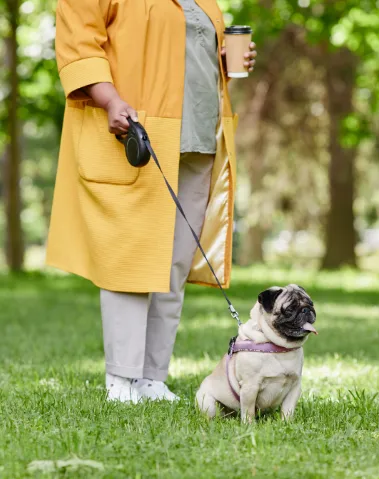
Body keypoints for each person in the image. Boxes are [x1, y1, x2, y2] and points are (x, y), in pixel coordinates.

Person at [48, 0, 257, 403]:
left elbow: (187, 59)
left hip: (199, 137)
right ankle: (121, 379)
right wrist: (109, 100)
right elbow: (79, 43)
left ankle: (151, 378)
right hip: (137, 132)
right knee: (130, 260)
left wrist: (229, 59)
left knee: (174, 263)